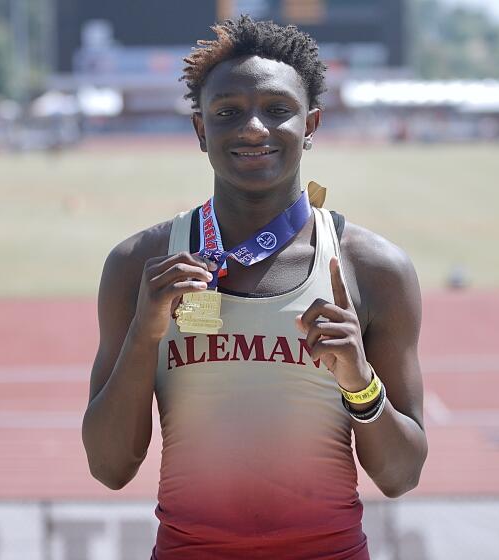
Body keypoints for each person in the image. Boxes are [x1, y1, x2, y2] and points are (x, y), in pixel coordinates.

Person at [82, 15, 427, 559]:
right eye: (228, 112)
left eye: (277, 110)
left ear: (310, 123)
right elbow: (109, 467)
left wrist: (360, 382)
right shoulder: (139, 265)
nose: (253, 129)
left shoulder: (373, 268)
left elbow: (402, 475)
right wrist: (145, 335)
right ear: (201, 130)